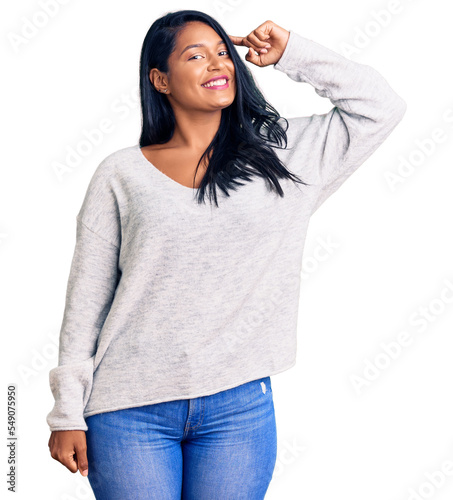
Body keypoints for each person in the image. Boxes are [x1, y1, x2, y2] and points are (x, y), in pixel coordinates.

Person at [46, 9, 407, 500]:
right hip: (128, 411)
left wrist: (292, 53)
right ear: (160, 80)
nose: (217, 63)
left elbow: (380, 105)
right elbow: (86, 302)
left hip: (239, 410)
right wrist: (67, 411)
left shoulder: (285, 159)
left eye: (223, 52)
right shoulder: (121, 175)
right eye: (195, 55)